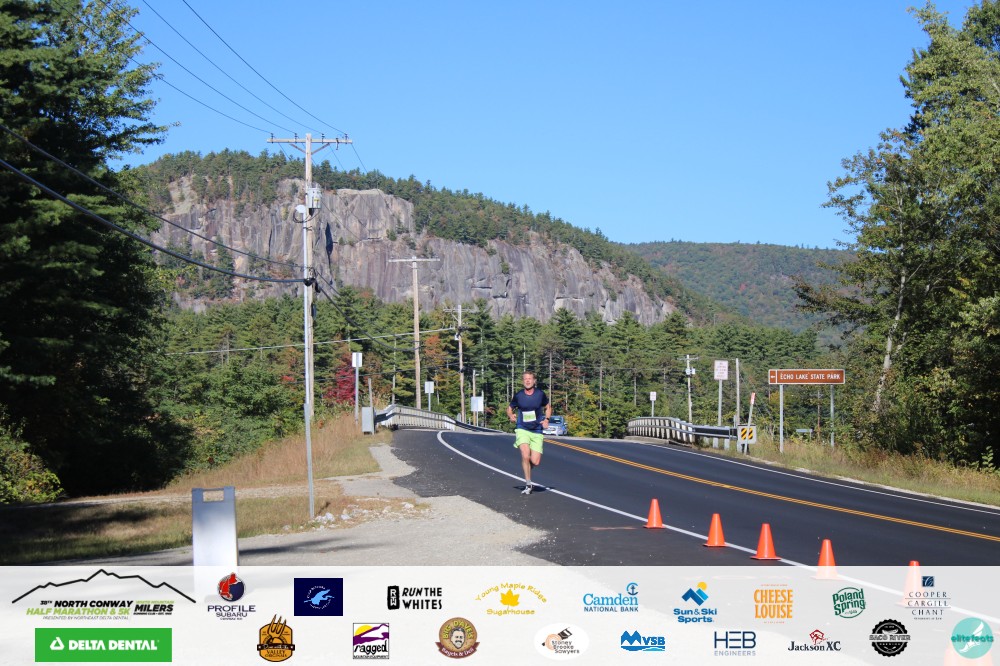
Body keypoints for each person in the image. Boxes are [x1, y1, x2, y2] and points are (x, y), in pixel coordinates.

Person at [507, 370, 551, 495]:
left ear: (534, 381)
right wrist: (511, 415)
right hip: (522, 428)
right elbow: (509, 408)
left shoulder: (540, 394)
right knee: (525, 455)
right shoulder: (519, 395)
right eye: (525, 379)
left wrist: (547, 419)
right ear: (523, 381)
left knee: (535, 461)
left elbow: (548, 407)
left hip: (537, 430)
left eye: (529, 378)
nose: (527, 381)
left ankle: (526, 466)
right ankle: (528, 483)